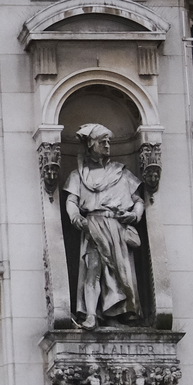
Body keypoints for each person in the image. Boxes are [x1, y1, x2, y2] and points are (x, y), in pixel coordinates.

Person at [63, 124, 146, 328]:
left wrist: (134, 215)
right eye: (103, 141)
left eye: (109, 141)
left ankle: (115, 315)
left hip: (117, 226)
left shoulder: (121, 172)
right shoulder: (78, 175)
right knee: (93, 269)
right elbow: (71, 200)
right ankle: (91, 314)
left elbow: (138, 200)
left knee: (118, 272)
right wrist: (74, 216)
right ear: (91, 145)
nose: (107, 145)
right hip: (92, 225)